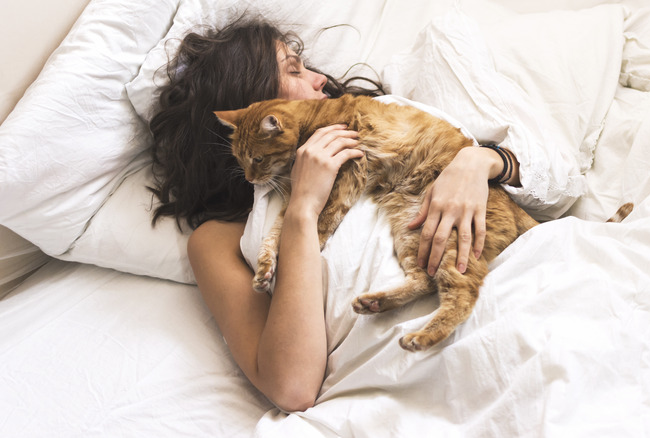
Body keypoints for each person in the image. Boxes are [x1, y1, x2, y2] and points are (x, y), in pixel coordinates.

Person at [148, 18, 522, 412]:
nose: (319, 78)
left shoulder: (386, 111)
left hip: (525, 278)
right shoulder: (219, 239)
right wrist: (302, 210)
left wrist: (482, 160)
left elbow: (559, 183)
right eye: (294, 69)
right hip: (433, 372)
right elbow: (293, 387)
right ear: (253, 101)